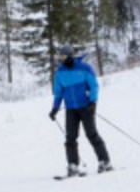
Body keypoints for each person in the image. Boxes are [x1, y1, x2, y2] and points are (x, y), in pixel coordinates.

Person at [48, 46, 112, 177]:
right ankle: (73, 165)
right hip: (71, 109)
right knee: (70, 137)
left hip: (86, 107)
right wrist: (55, 108)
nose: (62, 60)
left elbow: (93, 86)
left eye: (64, 57)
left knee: (91, 134)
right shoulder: (60, 73)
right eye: (61, 57)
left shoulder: (84, 68)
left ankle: (104, 161)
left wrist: (93, 102)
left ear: (71, 55)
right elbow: (58, 93)